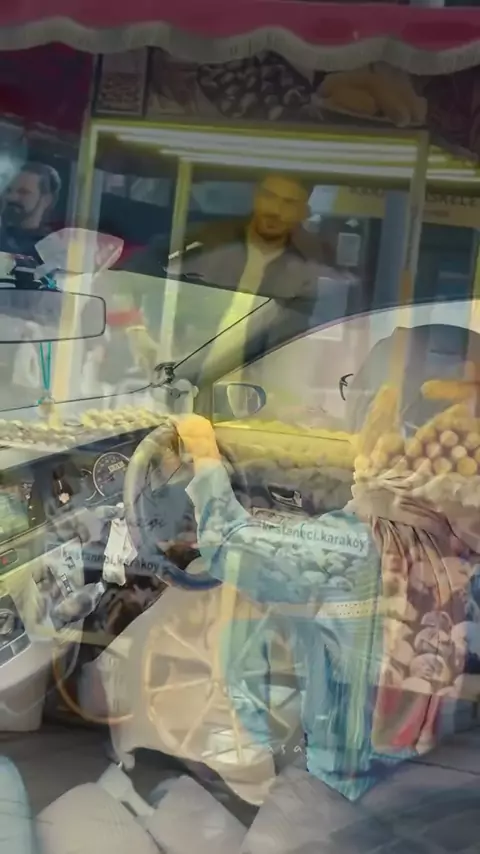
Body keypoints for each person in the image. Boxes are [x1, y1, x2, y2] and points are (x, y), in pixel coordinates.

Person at [170, 410, 480, 804]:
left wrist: (203, 450)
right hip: (446, 794)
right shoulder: (463, 552)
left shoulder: (349, 544)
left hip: (347, 794)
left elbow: (229, 543)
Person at [104, 172, 343, 378]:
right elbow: (121, 277)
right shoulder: (205, 241)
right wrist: (136, 333)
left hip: (254, 398)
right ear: (255, 196)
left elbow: (308, 340)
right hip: (177, 382)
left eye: (289, 203)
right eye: (269, 196)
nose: (275, 211)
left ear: (303, 212)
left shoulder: (310, 268)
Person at [0, 162, 61, 261]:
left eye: (23, 192)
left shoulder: (52, 249)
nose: (11, 197)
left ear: (46, 200)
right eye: (8, 190)